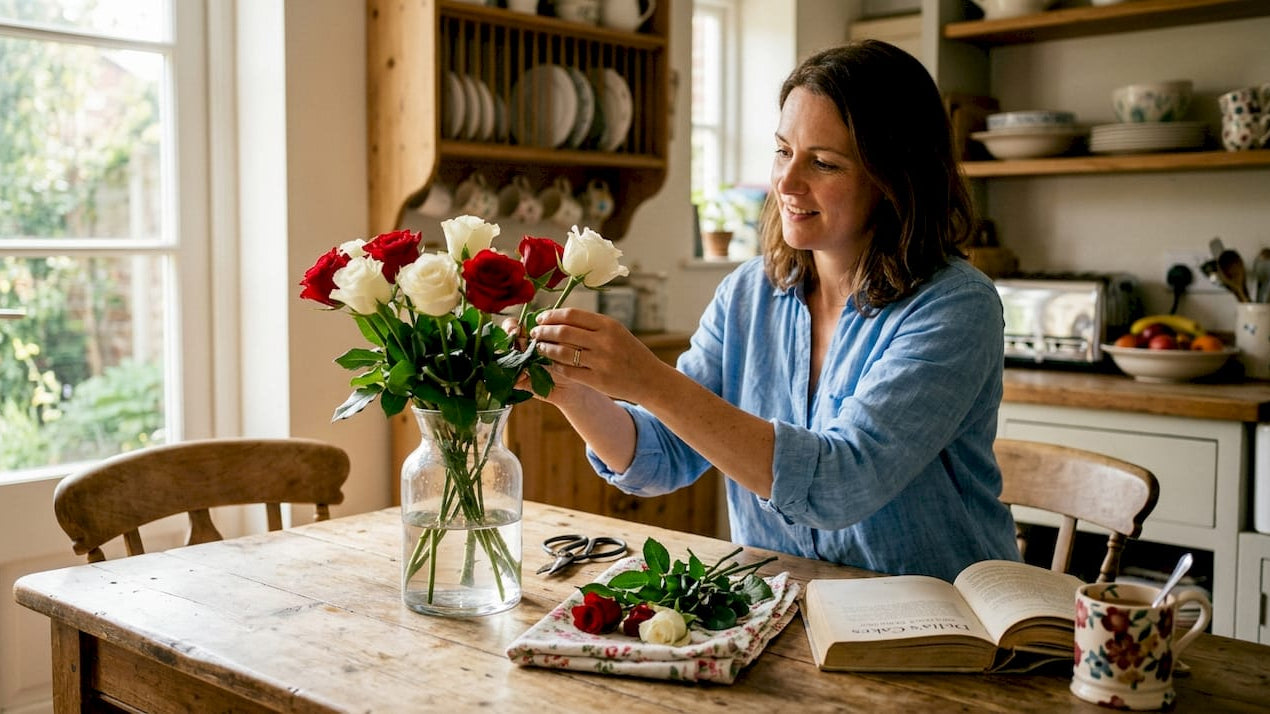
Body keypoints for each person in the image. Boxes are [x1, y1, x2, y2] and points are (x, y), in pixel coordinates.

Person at [527, 40, 1020, 582]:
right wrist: (569, 386)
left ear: (895, 179)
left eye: (824, 163)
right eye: (783, 151)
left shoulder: (954, 307)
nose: (785, 183)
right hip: (783, 612)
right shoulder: (748, 292)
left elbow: (839, 484)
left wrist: (650, 380)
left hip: (942, 628)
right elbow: (662, 456)